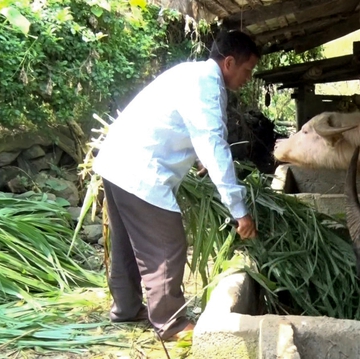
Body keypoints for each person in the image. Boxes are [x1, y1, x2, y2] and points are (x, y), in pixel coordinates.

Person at [93, 30, 260, 341]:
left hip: (118, 162)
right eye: (247, 70)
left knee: (128, 244)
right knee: (167, 246)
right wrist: (240, 210)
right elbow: (214, 143)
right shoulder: (206, 85)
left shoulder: (191, 73)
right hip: (140, 170)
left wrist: (198, 157)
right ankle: (171, 325)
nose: (248, 78)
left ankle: (126, 308)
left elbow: (185, 125)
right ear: (229, 62)